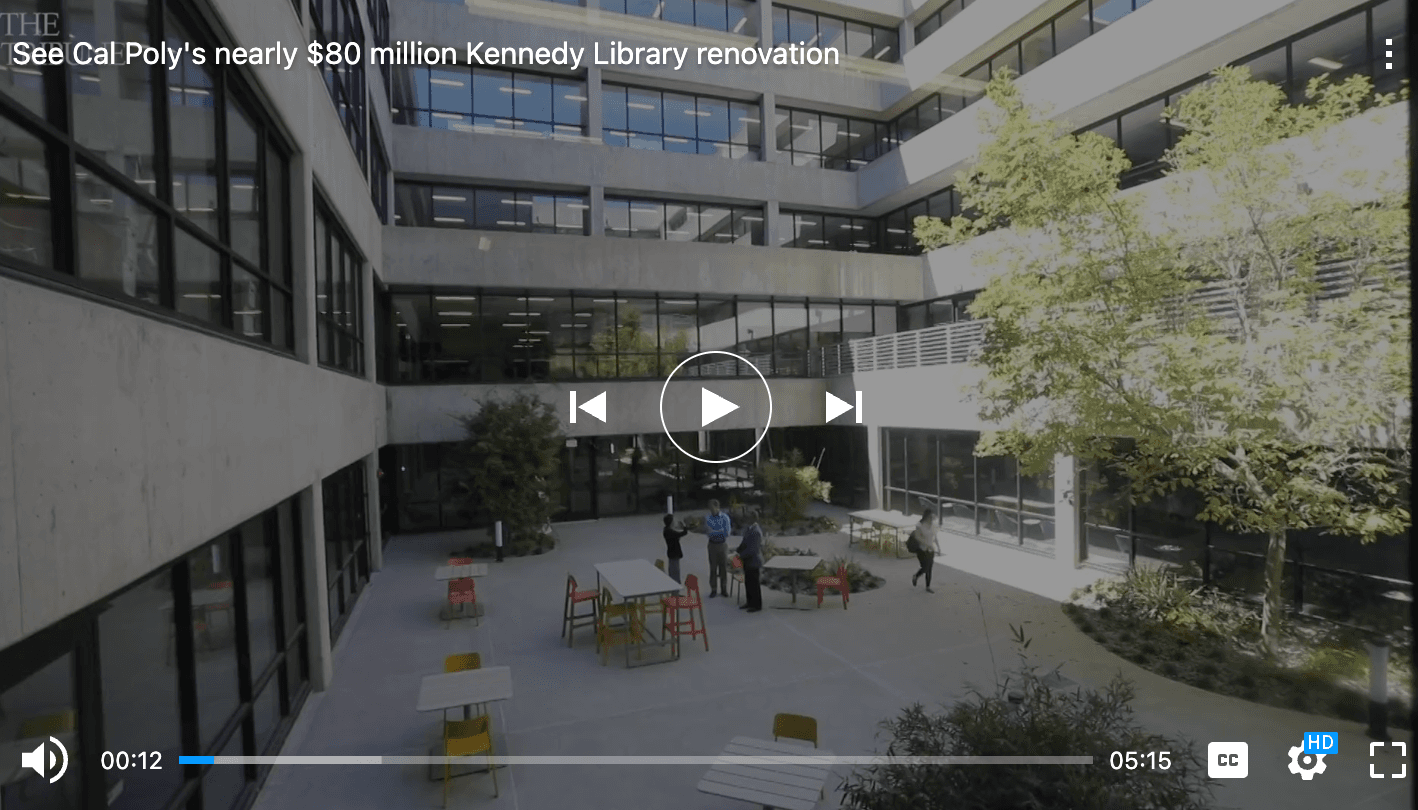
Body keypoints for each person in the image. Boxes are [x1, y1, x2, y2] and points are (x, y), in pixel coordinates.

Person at [736, 509, 765, 612]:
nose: (746, 519)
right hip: (747, 561)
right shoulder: (749, 529)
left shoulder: (756, 531)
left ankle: (756, 605)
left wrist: (741, 556)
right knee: (748, 582)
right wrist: (738, 549)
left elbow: (753, 550)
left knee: (754, 584)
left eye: (748, 517)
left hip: (753, 561)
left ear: (753, 518)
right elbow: (744, 542)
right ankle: (749, 602)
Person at [703, 499, 731, 597]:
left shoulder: (725, 518)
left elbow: (727, 532)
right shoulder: (708, 517)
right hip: (712, 545)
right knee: (713, 568)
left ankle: (724, 589)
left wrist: (716, 531)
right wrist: (719, 531)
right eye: (710, 508)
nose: (711, 510)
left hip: (722, 545)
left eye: (712, 508)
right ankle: (713, 589)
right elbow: (709, 532)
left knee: (723, 567)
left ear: (717, 507)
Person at [909, 509, 939, 593]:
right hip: (922, 550)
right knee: (925, 567)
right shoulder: (920, 525)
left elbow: (935, 537)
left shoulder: (933, 525)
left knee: (929, 568)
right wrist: (926, 544)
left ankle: (928, 586)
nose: (932, 519)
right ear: (926, 517)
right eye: (930, 517)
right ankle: (916, 576)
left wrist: (938, 547)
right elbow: (918, 538)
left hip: (931, 549)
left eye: (933, 517)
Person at [662, 513, 687, 583]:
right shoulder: (669, 532)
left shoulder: (666, 530)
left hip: (671, 554)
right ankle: (675, 590)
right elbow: (683, 533)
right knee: (675, 572)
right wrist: (684, 527)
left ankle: (675, 589)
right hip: (674, 554)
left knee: (673, 570)